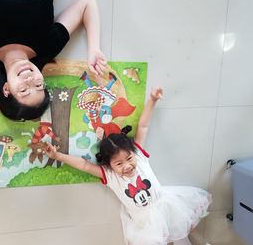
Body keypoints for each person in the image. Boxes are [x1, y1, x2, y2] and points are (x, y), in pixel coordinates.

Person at [44, 87, 211, 245]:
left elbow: (143, 126)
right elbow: (84, 165)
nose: (127, 165)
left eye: (129, 158)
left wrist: (152, 100)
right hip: (144, 222)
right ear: (109, 165)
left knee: (180, 236)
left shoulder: (138, 154)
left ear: (133, 152)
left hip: (165, 206)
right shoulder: (110, 175)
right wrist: (57, 155)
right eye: (119, 163)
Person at [0, 0, 107, 120]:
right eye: (39, 85)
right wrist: (94, 48)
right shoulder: (48, 46)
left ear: (6, 88)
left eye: (23, 89)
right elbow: (88, 4)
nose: (30, 80)